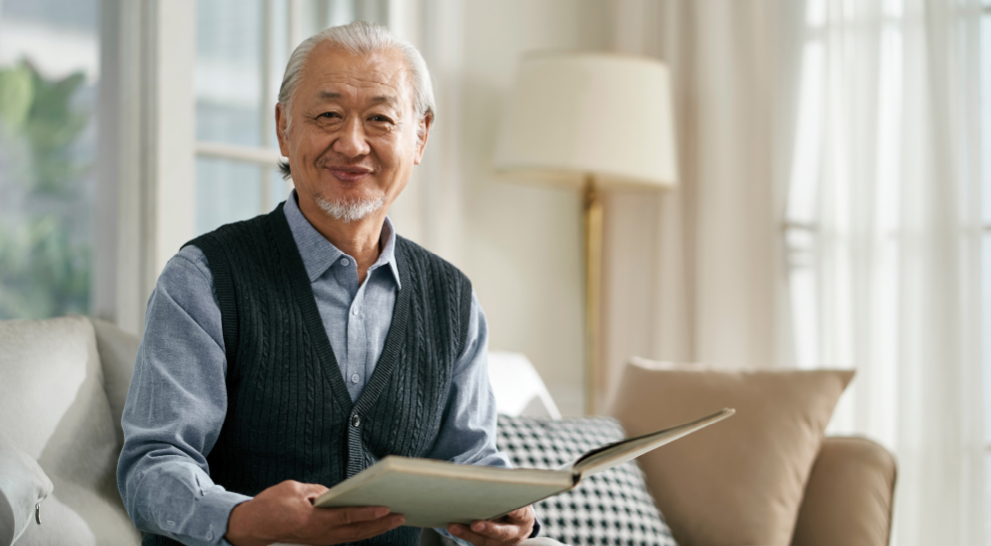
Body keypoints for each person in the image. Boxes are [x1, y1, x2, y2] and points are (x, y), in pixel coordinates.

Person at [117, 21, 547, 546]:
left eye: (380, 119)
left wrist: (500, 512)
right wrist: (247, 519)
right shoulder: (205, 278)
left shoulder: (452, 296)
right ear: (283, 128)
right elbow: (152, 468)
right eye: (327, 116)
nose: (351, 143)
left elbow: (469, 459)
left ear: (420, 135)